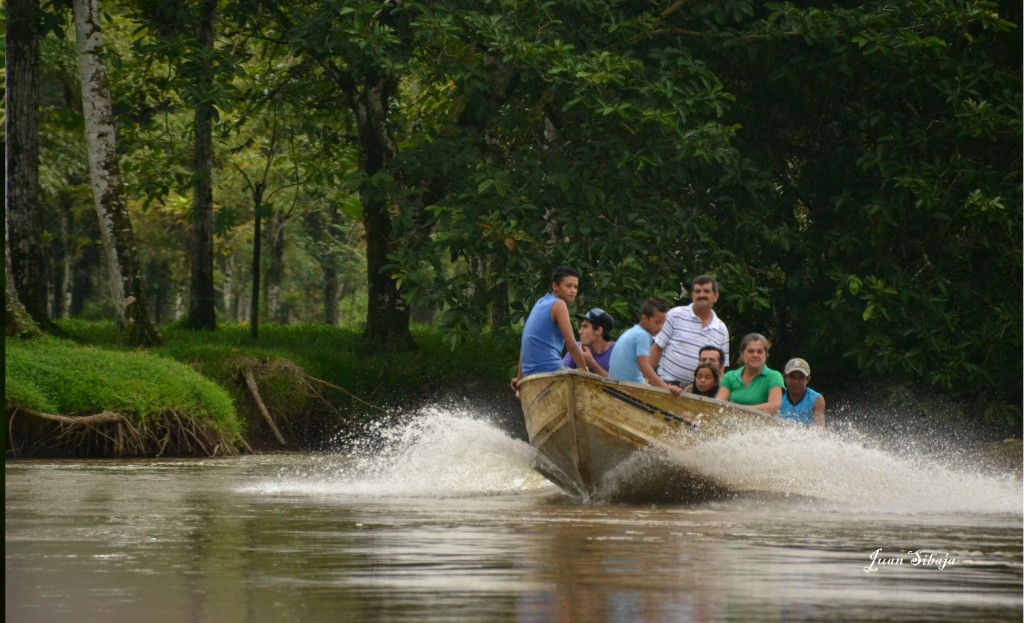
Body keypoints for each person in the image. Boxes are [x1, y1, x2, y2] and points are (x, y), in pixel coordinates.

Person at [510, 267, 588, 393]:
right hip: (550, 370)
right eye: (568, 286)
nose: (573, 291)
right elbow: (572, 345)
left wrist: (520, 378)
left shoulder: (540, 302)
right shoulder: (559, 304)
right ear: (555, 286)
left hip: (530, 373)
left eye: (575, 287)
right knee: (590, 380)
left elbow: (526, 343)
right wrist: (585, 373)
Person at [650, 275, 730, 387]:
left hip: (699, 392)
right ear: (692, 295)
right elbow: (657, 348)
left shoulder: (721, 330)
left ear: (715, 296)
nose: (701, 295)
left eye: (706, 291)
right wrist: (646, 379)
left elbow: (721, 368)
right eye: (697, 291)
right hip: (666, 385)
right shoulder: (675, 315)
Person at [608, 298, 684, 397]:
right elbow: (644, 366)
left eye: (663, 323)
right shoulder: (643, 335)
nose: (660, 327)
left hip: (616, 384)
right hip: (630, 388)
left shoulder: (634, 331)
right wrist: (666, 387)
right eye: (657, 322)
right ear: (644, 319)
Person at [715, 333, 783, 413]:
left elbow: (774, 407)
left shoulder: (774, 376)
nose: (755, 355)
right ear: (742, 354)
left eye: (759, 352)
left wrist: (740, 410)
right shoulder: (729, 376)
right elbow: (718, 405)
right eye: (751, 351)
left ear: (766, 355)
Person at [561, 308, 616, 377]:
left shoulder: (617, 352)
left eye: (585, 327)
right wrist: (579, 361)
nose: (580, 332)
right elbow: (560, 375)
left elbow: (621, 383)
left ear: (598, 330)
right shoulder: (578, 348)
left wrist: (591, 363)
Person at [779, 358, 826, 428]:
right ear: (785, 378)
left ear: (808, 380)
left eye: (801, 378)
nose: (796, 381)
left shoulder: (817, 399)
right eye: (792, 377)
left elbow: (819, 428)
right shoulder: (778, 395)